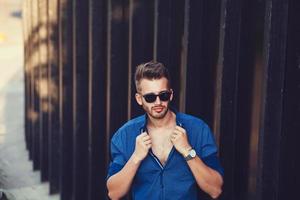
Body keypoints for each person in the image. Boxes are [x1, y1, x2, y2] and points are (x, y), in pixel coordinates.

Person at [106, 61, 224, 200]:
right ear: (139, 99)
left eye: (163, 95)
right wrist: (135, 158)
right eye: (150, 97)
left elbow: (215, 189)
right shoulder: (125, 135)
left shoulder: (198, 129)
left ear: (171, 95)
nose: (157, 103)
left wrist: (187, 151)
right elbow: (113, 193)